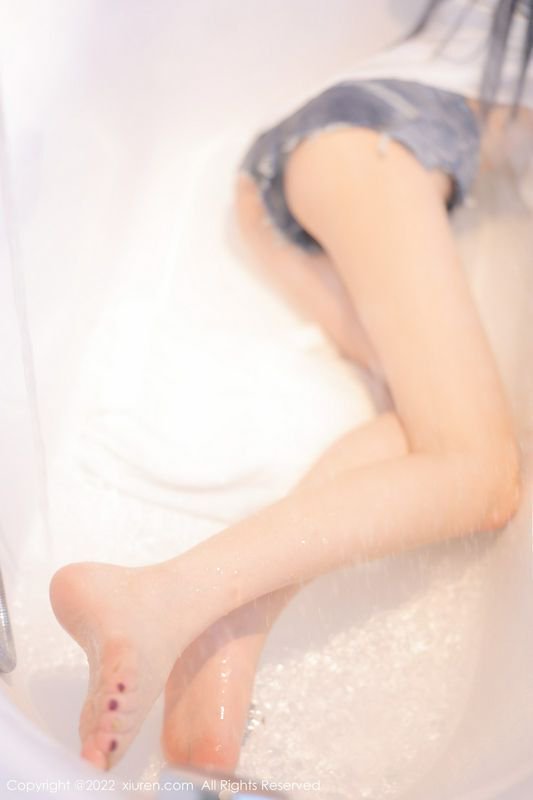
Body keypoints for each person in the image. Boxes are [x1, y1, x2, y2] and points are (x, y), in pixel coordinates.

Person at [50, 0, 529, 773]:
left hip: (314, 162)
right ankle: (159, 597)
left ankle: (224, 634)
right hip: (371, 147)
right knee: (481, 472)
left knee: (426, 434)